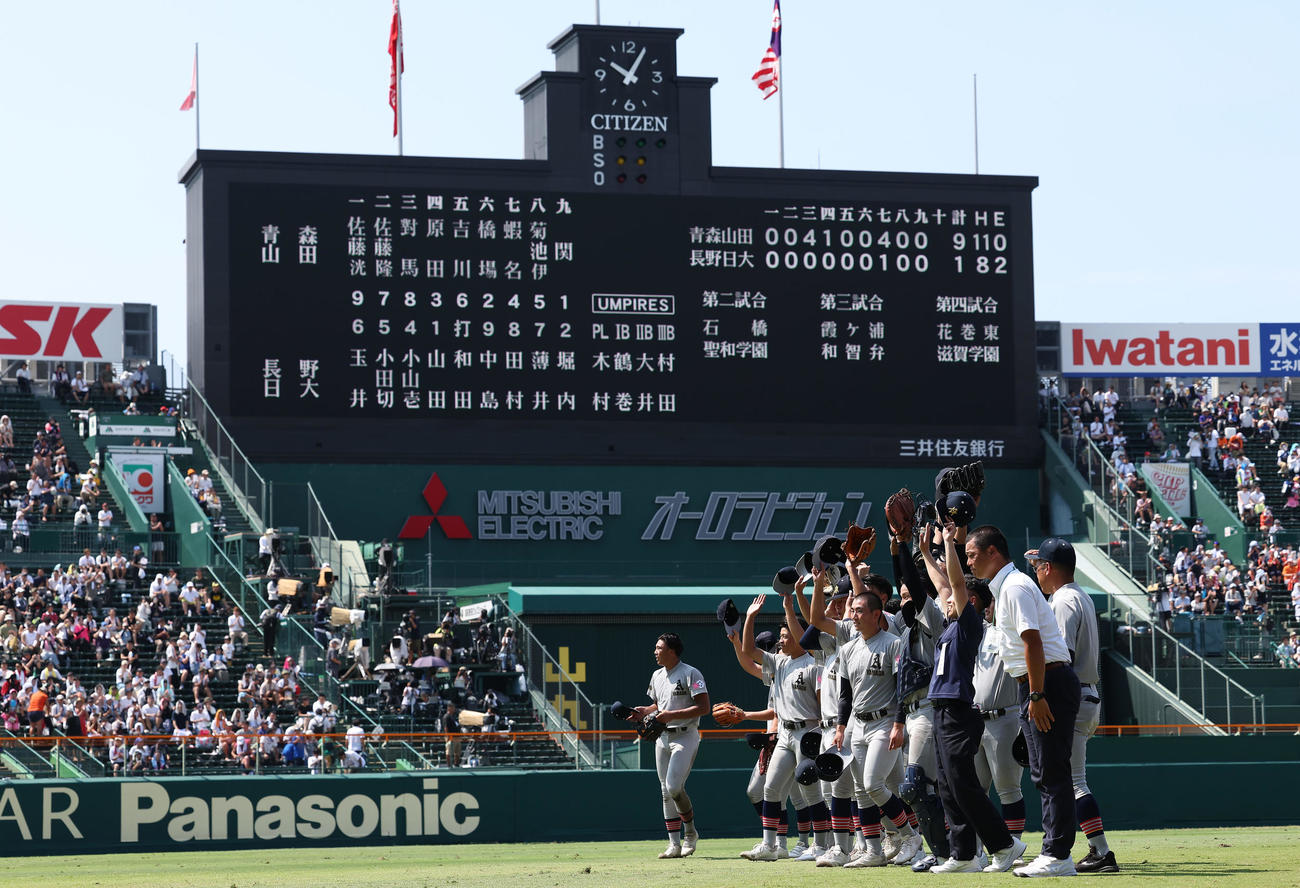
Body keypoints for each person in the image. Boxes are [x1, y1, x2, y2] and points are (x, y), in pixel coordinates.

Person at [966, 525, 1080, 877]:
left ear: (993, 553)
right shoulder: (1007, 588)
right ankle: (1053, 851)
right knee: (1044, 772)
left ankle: (1058, 855)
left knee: (1053, 771)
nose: (969, 562)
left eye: (972, 555)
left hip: (1046, 683)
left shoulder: (1014, 587)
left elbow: (1033, 642)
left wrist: (1036, 693)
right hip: (1038, 682)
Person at [919, 522, 1026, 872]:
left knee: (963, 784)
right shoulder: (950, 624)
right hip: (941, 708)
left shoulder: (969, 625)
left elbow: (956, 583)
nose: (947, 599)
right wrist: (923, 553)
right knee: (948, 786)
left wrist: (949, 543)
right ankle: (963, 854)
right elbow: (944, 584)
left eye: (955, 598)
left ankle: (1004, 844)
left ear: (971, 602)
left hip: (958, 708)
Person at [1029, 538, 1120, 874]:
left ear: (1049, 568)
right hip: (1086, 692)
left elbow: (1059, 656)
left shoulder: (1064, 600)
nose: (1036, 571)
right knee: (1071, 778)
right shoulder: (1078, 594)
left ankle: (1100, 851)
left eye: (1038, 565)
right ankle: (1096, 850)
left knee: (1071, 781)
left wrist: (1040, 697)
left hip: (1073, 694)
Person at [830, 588, 923, 868]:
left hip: (885, 722)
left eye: (859, 611)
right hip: (857, 725)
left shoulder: (893, 643)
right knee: (861, 789)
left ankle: (909, 836)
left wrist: (898, 723)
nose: (854, 616)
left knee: (873, 784)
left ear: (876, 614)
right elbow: (845, 695)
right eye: (853, 610)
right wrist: (840, 727)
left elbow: (900, 689)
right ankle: (874, 851)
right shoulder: (847, 649)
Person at [737, 593, 830, 862]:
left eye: (786, 635)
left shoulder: (815, 663)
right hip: (786, 734)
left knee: (811, 792)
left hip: (808, 732)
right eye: (780, 636)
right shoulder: (779, 662)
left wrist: (789, 605)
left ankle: (821, 846)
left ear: (799, 635)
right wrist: (750, 617)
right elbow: (749, 652)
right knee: (770, 788)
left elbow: (823, 705)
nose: (781, 640)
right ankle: (770, 846)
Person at [631, 632, 709, 859]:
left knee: (674, 786)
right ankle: (674, 844)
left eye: (659, 648)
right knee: (666, 792)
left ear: (672, 651)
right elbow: (657, 705)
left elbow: (704, 707)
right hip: (662, 737)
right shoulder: (657, 675)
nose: (655, 652)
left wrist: (671, 714)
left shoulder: (691, 673)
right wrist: (642, 712)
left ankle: (690, 834)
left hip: (685, 736)